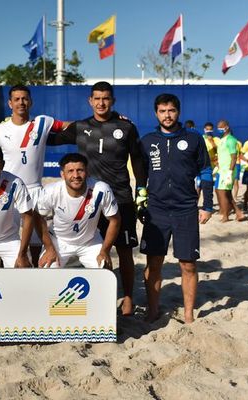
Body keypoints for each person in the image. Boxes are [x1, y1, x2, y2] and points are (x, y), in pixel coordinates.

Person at [49, 81, 147, 316]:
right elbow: (51, 139)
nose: (101, 102)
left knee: (124, 251)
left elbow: (138, 160)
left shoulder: (126, 127)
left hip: (121, 198)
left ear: (112, 100)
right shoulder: (81, 127)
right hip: (89, 201)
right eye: (97, 98)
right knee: (92, 249)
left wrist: (141, 191)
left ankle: (128, 298)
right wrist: (24, 127)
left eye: (106, 98)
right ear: (90, 101)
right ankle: (92, 300)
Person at [139, 93, 213, 324]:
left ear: (178, 112)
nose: (167, 115)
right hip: (157, 211)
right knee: (154, 263)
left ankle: (189, 314)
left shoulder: (194, 139)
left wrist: (208, 205)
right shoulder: (148, 140)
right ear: (156, 113)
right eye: (162, 111)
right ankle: (153, 310)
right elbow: (141, 177)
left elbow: (206, 173)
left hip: (186, 209)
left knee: (188, 264)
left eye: (171, 110)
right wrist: (140, 202)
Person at [0, 84, 67, 268]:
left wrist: (99, 123)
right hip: (7, 191)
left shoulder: (42, 122)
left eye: (25, 98)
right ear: (10, 103)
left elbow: (67, 126)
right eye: (16, 99)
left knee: (36, 241)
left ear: (31, 102)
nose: (21, 102)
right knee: (7, 242)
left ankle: (35, 275)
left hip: (34, 190)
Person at [35, 153, 120, 269]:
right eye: (70, 171)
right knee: (47, 270)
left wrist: (105, 251)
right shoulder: (51, 191)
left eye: (80, 170)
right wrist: (49, 248)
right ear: (62, 174)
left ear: (87, 172)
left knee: (104, 270)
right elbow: (37, 217)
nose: (76, 175)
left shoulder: (101, 189)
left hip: (90, 242)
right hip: (58, 241)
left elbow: (115, 220)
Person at [215, 120, 246, 222]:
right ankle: (238, 213)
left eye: (221, 127)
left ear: (227, 127)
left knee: (224, 193)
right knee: (226, 193)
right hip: (222, 170)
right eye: (218, 127)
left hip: (228, 171)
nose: (219, 129)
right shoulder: (222, 139)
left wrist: (229, 172)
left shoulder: (231, 140)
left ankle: (226, 215)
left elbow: (234, 157)